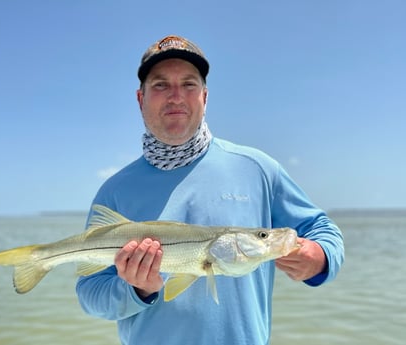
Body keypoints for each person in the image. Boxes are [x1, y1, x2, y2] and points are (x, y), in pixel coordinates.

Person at [76, 35, 344, 345]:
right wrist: (135, 290)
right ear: (140, 98)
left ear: (204, 96)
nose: (176, 96)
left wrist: (320, 257)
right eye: (161, 85)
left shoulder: (257, 168)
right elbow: (90, 294)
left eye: (189, 84)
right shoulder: (115, 190)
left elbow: (322, 229)